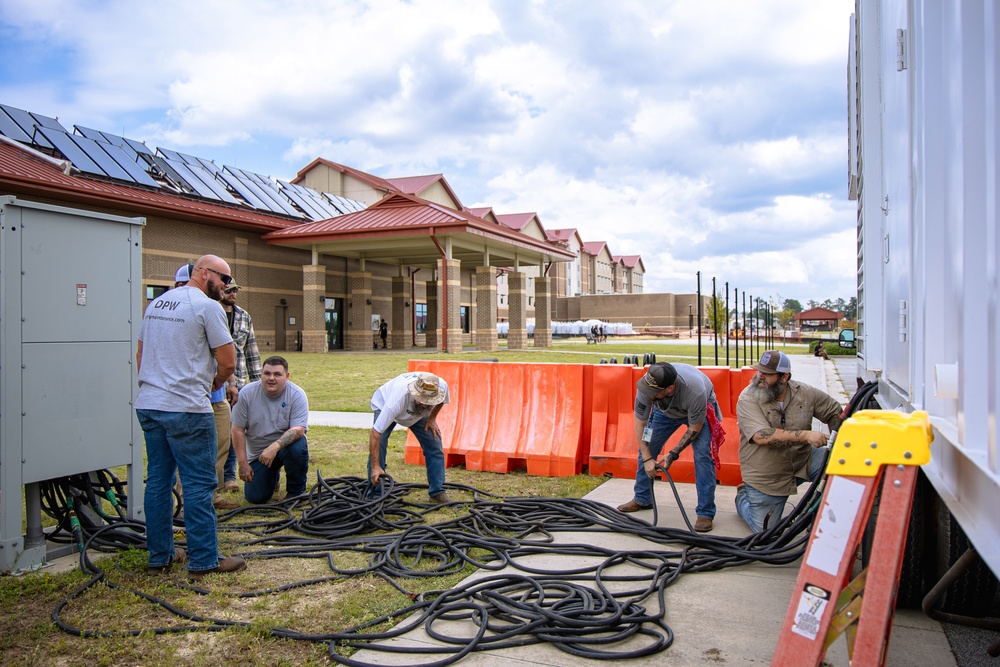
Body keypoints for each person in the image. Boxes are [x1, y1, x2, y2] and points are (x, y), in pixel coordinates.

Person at [135, 254, 246, 579]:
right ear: (202, 272)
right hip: (186, 408)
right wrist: (211, 384)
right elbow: (227, 361)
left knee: (158, 480)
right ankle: (204, 560)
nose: (227, 286)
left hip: (150, 404)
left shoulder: (157, 304)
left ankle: (160, 557)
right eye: (224, 279)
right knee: (199, 483)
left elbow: (140, 354)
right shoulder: (206, 307)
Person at [735, 350, 843, 532]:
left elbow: (835, 413)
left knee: (838, 465)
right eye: (759, 371)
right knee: (765, 532)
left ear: (784, 377)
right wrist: (806, 435)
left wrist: (839, 444)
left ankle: (818, 516)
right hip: (767, 474)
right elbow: (761, 435)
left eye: (767, 374)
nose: (759, 377)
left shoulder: (806, 393)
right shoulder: (747, 398)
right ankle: (743, 498)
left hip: (802, 461)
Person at [617, 362, 723, 532]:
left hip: (697, 410)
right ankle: (642, 498)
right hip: (663, 411)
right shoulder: (647, 387)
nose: (647, 393)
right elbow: (640, 424)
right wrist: (647, 458)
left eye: (654, 392)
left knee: (702, 455)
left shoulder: (695, 391)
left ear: (670, 388)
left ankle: (705, 512)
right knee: (647, 446)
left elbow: (694, 428)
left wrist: (673, 454)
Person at [231, 356, 310, 504]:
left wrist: (275, 446)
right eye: (267, 373)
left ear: (287, 376)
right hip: (258, 455)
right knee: (255, 498)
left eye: (277, 374)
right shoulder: (247, 394)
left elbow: (299, 429)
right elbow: (237, 430)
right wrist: (243, 463)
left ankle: (296, 493)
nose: (271, 378)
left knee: (297, 446)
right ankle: (272, 478)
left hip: (284, 448)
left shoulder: (297, 394)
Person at [368, 371, 451, 503]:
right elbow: (375, 434)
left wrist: (432, 418)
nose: (425, 405)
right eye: (422, 400)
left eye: (429, 402)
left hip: (416, 414)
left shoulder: (441, 387)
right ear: (415, 393)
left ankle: (437, 492)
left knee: (434, 443)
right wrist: (375, 467)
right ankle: (377, 494)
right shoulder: (396, 401)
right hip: (385, 405)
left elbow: (442, 400)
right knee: (381, 443)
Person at [219, 282, 262, 493]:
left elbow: (251, 351)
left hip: (242, 385)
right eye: (229, 289)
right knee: (221, 434)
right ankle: (218, 478)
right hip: (217, 384)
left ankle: (229, 477)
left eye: (236, 290)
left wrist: (258, 384)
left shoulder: (244, 316)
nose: (233, 293)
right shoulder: (211, 313)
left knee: (237, 430)